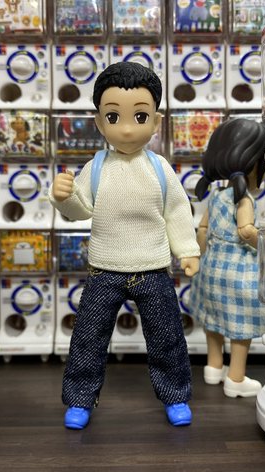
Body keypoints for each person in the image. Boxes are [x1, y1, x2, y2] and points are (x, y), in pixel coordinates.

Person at [49, 62, 200, 429]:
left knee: (167, 336)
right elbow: (80, 210)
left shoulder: (159, 167)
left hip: (153, 268)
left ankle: (175, 395)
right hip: (104, 269)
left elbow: (177, 210)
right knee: (88, 337)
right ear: (99, 123)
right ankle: (80, 399)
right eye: (113, 117)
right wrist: (64, 198)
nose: (128, 128)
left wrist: (187, 249)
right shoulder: (97, 166)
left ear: (157, 121)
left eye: (140, 116)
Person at [188, 118, 265, 398]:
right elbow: (246, 231)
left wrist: (200, 257)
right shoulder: (244, 198)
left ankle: (214, 367)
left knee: (213, 318)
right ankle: (235, 378)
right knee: (240, 325)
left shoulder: (216, 195)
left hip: (211, 266)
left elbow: (202, 229)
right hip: (238, 269)